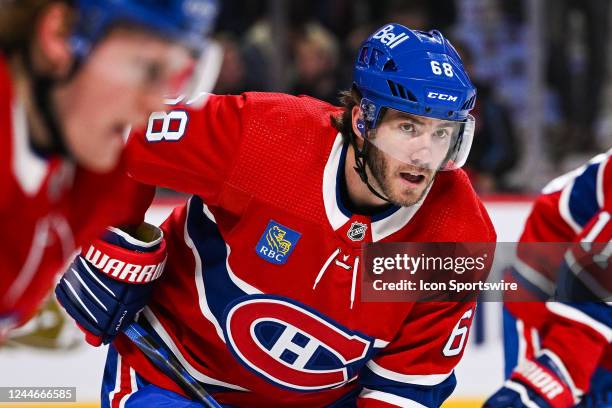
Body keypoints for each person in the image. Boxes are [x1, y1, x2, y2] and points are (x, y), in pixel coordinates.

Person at [57, 24, 496, 407]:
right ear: (362, 120)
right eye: (408, 127)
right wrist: (109, 236)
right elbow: (121, 128)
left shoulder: (458, 237)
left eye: (443, 132)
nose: (426, 153)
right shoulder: (264, 136)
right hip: (176, 376)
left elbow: (406, 388)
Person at [0, 0, 219, 338]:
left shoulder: (98, 177)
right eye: (148, 69)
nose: (157, 104)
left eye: (176, 77)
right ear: (59, 33)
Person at [485, 151, 612, 407]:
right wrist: (556, 372)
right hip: (546, 305)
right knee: (532, 398)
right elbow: (591, 279)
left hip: (593, 305)